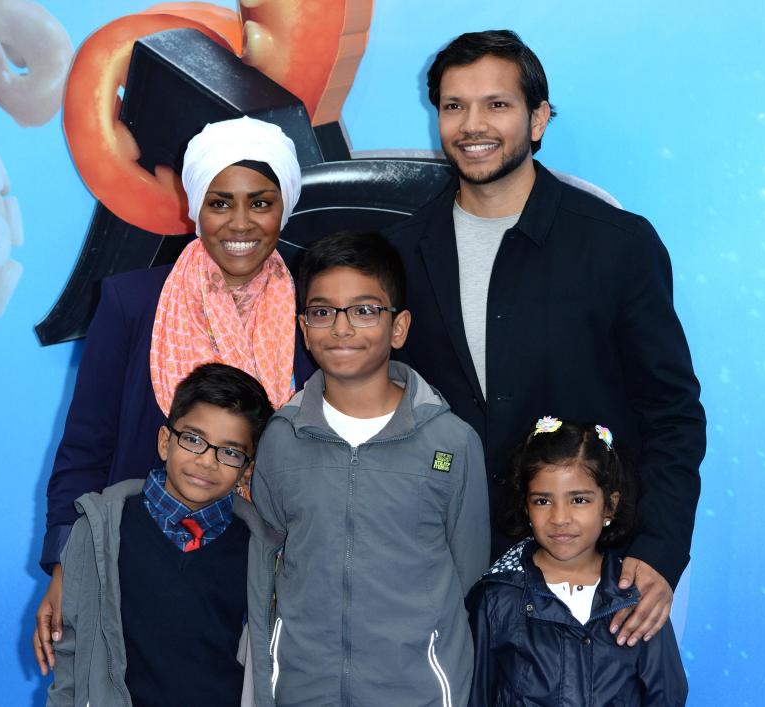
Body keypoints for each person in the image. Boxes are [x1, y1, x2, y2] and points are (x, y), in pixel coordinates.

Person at [386, 29, 706, 647]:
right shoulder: (402, 251)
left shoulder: (617, 244)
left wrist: (661, 553)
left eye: (496, 105)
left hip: (595, 582)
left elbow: (672, 414)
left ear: (537, 120)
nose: (472, 124)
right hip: (448, 581)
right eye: (454, 106)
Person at [34, 116, 314, 675]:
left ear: (284, 208)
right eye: (220, 203)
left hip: (269, 575)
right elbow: (87, 447)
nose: (240, 223)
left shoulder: (317, 311)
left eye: (260, 203)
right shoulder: (133, 302)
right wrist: (67, 565)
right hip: (138, 571)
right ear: (194, 209)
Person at [246, 231, 490, 706]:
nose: (341, 329)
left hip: (419, 690)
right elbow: (268, 565)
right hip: (303, 689)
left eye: (363, 310)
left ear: (398, 327)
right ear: (303, 325)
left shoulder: (451, 442)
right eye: (322, 312)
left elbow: (468, 572)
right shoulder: (281, 438)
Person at [45, 362, 281, 706]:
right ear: (165, 442)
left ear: (247, 471)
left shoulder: (259, 550)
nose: (206, 461)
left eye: (230, 452)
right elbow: (71, 652)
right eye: (194, 439)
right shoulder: (101, 528)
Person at [467, 418, 688, 706]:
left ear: (610, 504)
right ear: (525, 506)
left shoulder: (636, 597)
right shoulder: (496, 598)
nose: (560, 518)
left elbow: (667, 695)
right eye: (543, 501)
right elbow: (475, 695)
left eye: (579, 500)